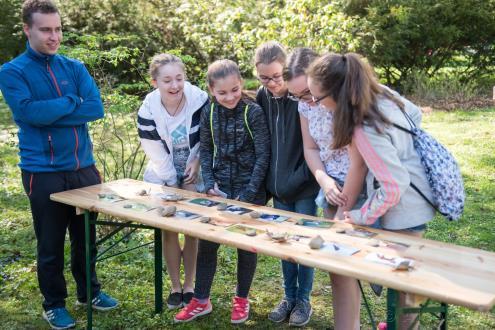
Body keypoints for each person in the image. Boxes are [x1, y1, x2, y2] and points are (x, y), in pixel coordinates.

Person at [0, 1, 118, 329]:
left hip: (84, 169)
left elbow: (94, 109)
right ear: (27, 29)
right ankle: (53, 303)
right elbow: (29, 114)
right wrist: (70, 102)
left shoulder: (75, 68)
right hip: (43, 172)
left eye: (58, 29)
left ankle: (89, 291)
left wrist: (53, 111)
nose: (54, 36)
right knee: (50, 243)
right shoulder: (12, 72)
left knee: (86, 238)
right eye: (46, 30)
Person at [307, 52, 435, 330]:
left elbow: (393, 186)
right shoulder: (380, 94)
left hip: (406, 209)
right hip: (412, 200)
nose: (317, 105)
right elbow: (413, 113)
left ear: (337, 93)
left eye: (318, 99)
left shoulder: (365, 128)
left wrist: (361, 215)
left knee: (402, 286)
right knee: (403, 285)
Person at [174, 59, 270, 324]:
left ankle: (241, 299)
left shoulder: (254, 112)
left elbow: (263, 156)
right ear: (212, 91)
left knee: (245, 247)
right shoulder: (210, 113)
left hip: (250, 191)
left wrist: (249, 194)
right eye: (223, 92)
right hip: (218, 191)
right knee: (208, 245)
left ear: (241, 84)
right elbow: (206, 149)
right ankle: (201, 300)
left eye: (235, 90)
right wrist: (210, 185)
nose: (230, 97)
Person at [254, 42, 319, 327]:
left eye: (276, 76)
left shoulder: (302, 98)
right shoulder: (263, 96)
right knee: (283, 243)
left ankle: (303, 299)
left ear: (288, 70)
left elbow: (315, 147)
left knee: (303, 244)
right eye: (264, 78)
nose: (271, 83)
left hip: (304, 186)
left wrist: (296, 179)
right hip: (278, 188)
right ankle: (288, 296)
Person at [137, 53, 208, 309]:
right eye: (167, 80)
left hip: (193, 169)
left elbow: (206, 136)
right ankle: (175, 285)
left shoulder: (199, 99)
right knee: (169, 230)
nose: (174, 85)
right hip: (162, 173)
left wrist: (196, 162)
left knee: (190, 229)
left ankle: (190, 284)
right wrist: (171, 183)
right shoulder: (148, 109)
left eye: (179, 78)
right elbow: (154, 151)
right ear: (155, 81)